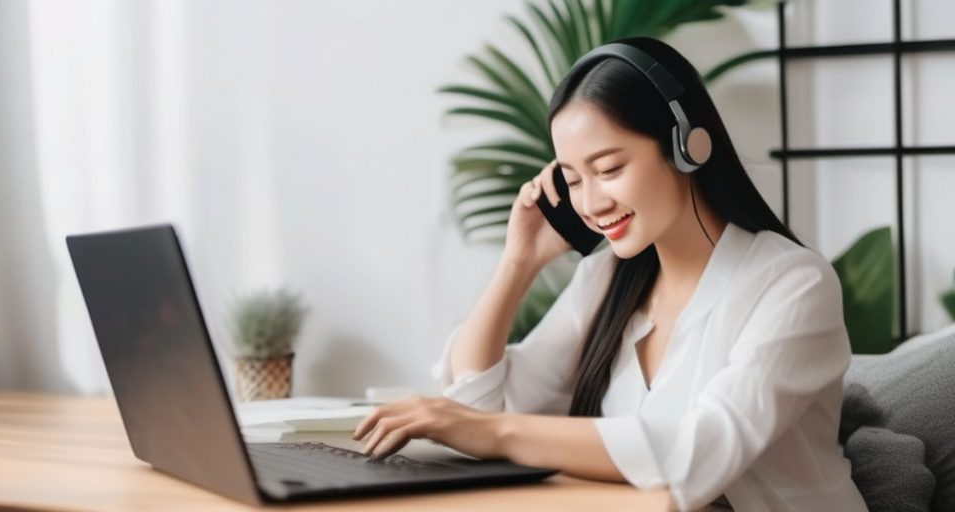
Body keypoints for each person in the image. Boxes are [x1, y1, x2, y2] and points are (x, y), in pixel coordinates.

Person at [352, 37, 868, 512]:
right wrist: (518, 264)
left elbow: (696, 455)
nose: (591, 203)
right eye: (573, 179)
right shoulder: (608, 278)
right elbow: (477, 402)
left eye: (609, 169)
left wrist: (492, 432)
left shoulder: (794, 284)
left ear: (688, 145)